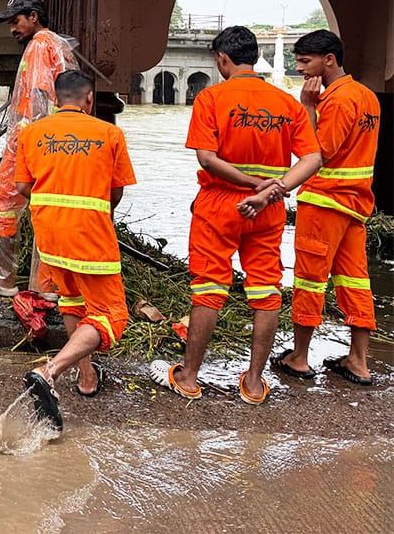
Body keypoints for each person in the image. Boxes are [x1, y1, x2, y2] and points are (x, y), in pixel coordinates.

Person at [150, 26, 320, 405]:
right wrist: (274, 189)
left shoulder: (212, 98)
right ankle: (256, 383)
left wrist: (249, 183)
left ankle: (190, 376)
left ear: (223, 59)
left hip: (219, 205)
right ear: (254, 57)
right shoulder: (287, 103)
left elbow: (207, 158)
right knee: (266, 290)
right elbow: (313, 157)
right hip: (269, 209)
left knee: (209, 287)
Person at [16, 72, 135, 432]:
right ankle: (49, 370)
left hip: (50, 234)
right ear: (88, 99)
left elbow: (23, 186)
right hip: (91, 235)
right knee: (112, 315)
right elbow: (116, 193)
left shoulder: (32, 133)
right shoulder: (109, 134)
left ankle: (86, 378)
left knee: (72, 302)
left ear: (55, 99)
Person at [269, 30, 380, 386]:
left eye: (305, 61)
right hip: (356, 204)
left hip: (324, 202)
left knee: (310, 280)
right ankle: (358, 361)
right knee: (355, 281)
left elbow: (318, 153)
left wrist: (307, 106)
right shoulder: (368, 97)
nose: (299, 68)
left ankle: (299, 357)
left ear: (328, 59)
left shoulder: (336, 101)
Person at [0, 0, 75, 298]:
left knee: (4, 206)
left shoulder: (39, 46)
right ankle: (48, 286)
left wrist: (29, 144)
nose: (12, 28)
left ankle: (3, 280)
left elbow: (39, 98)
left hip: (31, 141)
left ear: (34, 17)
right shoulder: (59, 45)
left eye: (16, 21)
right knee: (47, 212)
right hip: (57, 141)